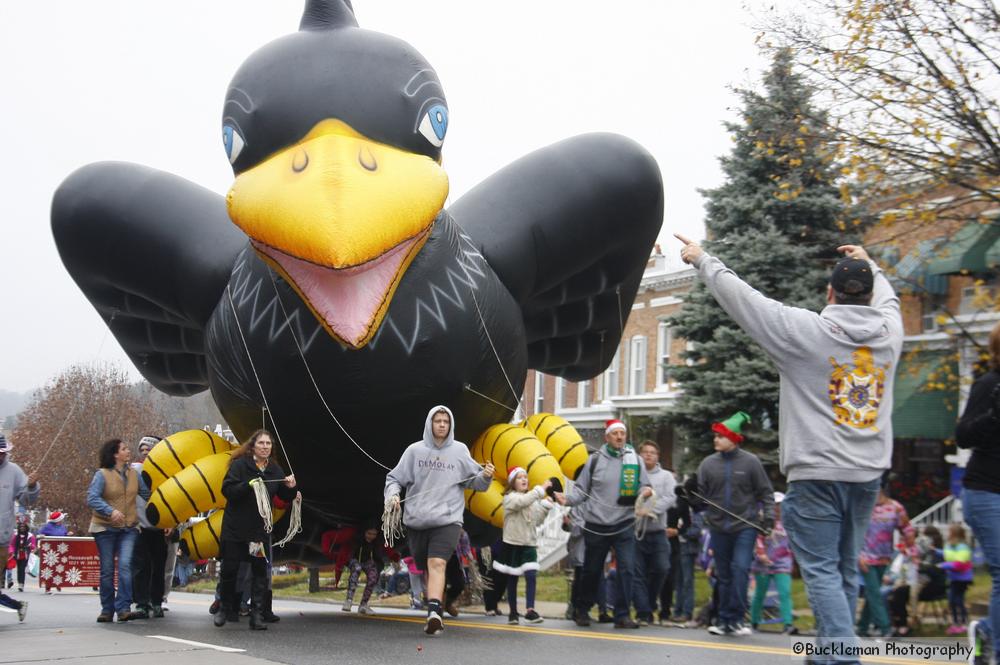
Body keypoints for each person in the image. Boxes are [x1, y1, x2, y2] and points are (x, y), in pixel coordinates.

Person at [677, 235, 903, 658]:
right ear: (871, 294)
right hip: (868, 475)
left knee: (820, 571)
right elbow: (889, 298)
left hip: (817, 474)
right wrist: (872, 264)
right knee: (844, 568)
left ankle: (840, 654)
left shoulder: (804, 331)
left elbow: (744, 300)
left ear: (830, 293)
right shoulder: (891, 331)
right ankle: (827, 653)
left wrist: (702, 260)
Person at [384, 405, 494, 636]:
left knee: (438, 563)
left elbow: (478, 483)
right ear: (430, 424)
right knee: (425, 566)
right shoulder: (414, 451)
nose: (442, 424)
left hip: (448, 520)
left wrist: (486, 476)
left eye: (446, 421)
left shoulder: (460, 451)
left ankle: (434, 611)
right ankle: (433, 602)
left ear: (451, 424)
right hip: (417, 521)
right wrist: (393, 495)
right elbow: (394, 478)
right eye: (438, 421)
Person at [683, 411, 774, 637]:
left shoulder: (751, 462)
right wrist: (691, 496)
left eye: (720, 437)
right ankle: (723, 620)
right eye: (715, 436)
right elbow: (700, 499)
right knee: (723, 575)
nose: (715, 440)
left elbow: (766, 493)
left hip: (745, 526)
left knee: (740, 569)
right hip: (717, 526)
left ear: (733, 438)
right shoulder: (707, 464)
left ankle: (736, 618)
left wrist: (769, 518)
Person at [560, 418, 653, 629]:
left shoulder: (635, 460)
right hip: (597, 524)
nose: (620, 437)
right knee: (591, 570)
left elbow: (645, 486)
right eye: (615, 434)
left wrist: (645, 493)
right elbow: (581, 490)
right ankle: (582, 610)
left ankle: (622, 615)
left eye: (623, 433)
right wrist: (567, 499)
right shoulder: (595, 460)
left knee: (627, 569)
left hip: (625, 523)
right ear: (607, 437)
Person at [214, 429, 297, 630]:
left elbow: (284, 497)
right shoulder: (240, 466)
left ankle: (257, 615)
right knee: (230, 569)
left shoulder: (275, 470)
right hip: (235, 530)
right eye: (261, 443)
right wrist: (247, 486)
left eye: (268, 444)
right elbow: (228, 490)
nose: (265, 447)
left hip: (257, 534)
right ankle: (224, 608)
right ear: (253, 446)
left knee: (259, 571)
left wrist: (291, 487)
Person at [956, 327, 1000, 665]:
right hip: (986, 492)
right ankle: (994, 650)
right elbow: (963, 436)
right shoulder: (989, 385)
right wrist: (992, 417)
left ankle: (986, 629)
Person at [493, 466, 557, 625]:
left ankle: (530, 610)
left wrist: (545, 506)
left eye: (525, 477)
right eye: (520, 477)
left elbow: (537, 519)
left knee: (531, 575)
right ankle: (513, 613)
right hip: (512, 543)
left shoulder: (531, 499)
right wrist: (540, 490)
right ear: (512, 482)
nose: (524, 480)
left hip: (529, 543)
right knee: (513, 578)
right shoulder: (510, 498)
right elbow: (522, 501)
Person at [87, 438, 141, 623]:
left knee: (125, 566)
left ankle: (124, 608)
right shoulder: (101, 475)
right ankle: (107, 609)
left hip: (129, 528)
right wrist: (110, 511)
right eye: (124, 449)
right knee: (107, 569)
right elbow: (92, 498)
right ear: (115, 454)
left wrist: (166, 518)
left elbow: (149, 495)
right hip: (105, 527)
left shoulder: (134, 474)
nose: (128, 451)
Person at [857, 484, 913, 637]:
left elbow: (906, 528)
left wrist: (910, 548)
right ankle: (885, 628)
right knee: (875, 592)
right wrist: (857, 555)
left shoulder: (895, 508)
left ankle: (862, 627)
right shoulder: (862, 507)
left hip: (884, 557)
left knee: (871, 594)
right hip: (865, 557)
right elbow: (852, 530)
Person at [632, 440, 676, 626]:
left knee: (662, 568)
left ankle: (649, 603)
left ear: (657, 456)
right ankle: (643, 612)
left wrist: (650, 509)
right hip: (637, 532)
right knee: (638, 573)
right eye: (645, 452)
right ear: (640, 455)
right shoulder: (633, 475)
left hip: (658, 532)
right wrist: (637, 509)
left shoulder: (666, 476)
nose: (649, 455)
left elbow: (670, 497)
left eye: (652, 452)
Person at [0, 434, 36, 622]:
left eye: (2, 453)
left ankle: (18, 605)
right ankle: (17, 605)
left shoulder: (14, 471)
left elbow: (26, 499)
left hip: (1, 537)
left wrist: (31, 487)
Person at [132, 435, 168, 619]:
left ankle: (157, 602)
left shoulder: (166, 472)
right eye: (143, 449)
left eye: (150, 450)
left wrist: (171, 523)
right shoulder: (133, 470)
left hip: (160, 527)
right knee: (141, 567)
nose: (145, 453)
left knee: (158, 567)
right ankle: (141, 603)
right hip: (140, 526)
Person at [749, 492, 796, 634]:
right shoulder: (762, 521)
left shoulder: (789, 523)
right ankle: (754, 622)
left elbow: (793, 543)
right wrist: (761, 554)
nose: (777, 508)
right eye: (775, 505)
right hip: (762, 565)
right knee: (760, 594)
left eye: (780, 505)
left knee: (785, 592)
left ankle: (788, 624)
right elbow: (757, 540)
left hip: (782, 565)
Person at [341, 525, 393, 615]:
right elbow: (348, 552)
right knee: (357, 569)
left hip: (367, 561)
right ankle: (349, 600)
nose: (371, 536)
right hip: (355, 559)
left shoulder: (376, 543)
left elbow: (379, 556)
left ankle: (364, 604)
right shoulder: (356, 540)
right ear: (364, 532)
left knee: (373, 577)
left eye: (374, 534)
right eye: (369, 533)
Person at [940, 523, 974, 635]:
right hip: (954, 577)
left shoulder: (963, 547)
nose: (947, 533)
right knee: (952, 601)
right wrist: (936, 551)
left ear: (955, 534)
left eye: (950, 531)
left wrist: (942, 565)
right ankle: (956, 623)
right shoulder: (951, 545)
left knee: (958, 600)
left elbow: (959, 563)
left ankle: (963, 623)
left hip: (963, 578)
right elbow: (948, 555)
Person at [8, 521, 35, 593]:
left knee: (22, 569)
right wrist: (11, 552)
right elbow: (11, 545)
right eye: (21, 527)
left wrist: (30, 546)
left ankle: (21, 585)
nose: (22, 528)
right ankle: (19, 582)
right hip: (17, 554)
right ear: (19, 528)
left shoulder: (30, 536)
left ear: (26, 528)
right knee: (19, 569)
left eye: (23, 527)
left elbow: (33, 545)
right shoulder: (15, 535)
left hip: (25, 554)